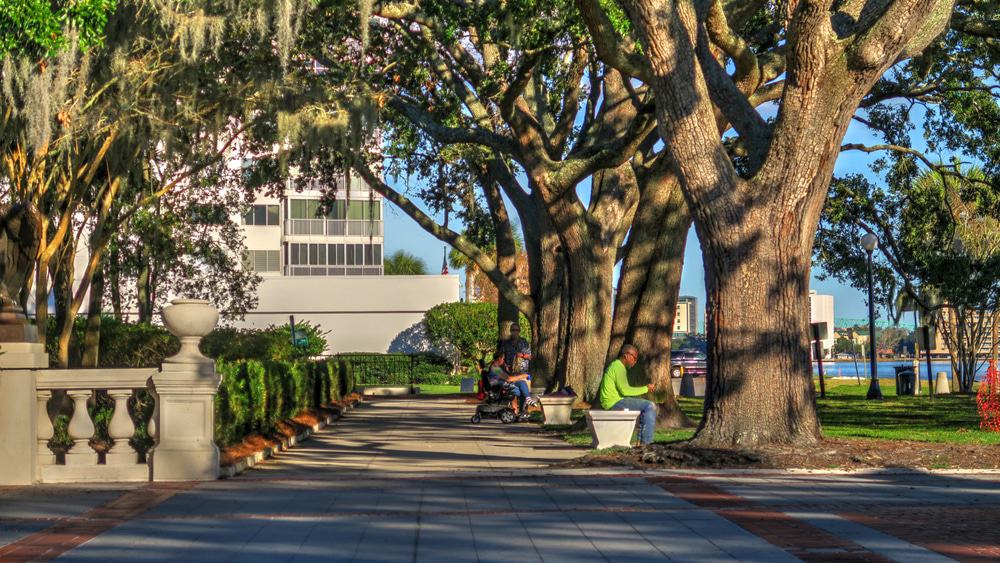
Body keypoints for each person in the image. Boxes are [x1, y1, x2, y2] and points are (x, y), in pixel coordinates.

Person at [598, 344, 657, 446]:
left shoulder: (617, 366)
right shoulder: (618, 367)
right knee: (650, 406)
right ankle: (646, 443)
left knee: (645, 407)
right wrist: (646, 388)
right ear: (627, 355)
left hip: (613, 400)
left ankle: (640, 442)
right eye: (634, 358)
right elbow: (625, 391)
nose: (635, 361)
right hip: (613, 402)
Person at [498, 322, 532, 420]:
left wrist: (521, 355)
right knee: (513, 393)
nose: (515, 332)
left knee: (524, 393)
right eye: (513, 330)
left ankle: (523, 413)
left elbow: (530, 356)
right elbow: (501, 357)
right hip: (511, 373)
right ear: (510, 331)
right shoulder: (506, 343)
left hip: (523, 372)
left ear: (519, 331)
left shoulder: (524, 342)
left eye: (516, 330)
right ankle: (514, 413)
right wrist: (505, 365)